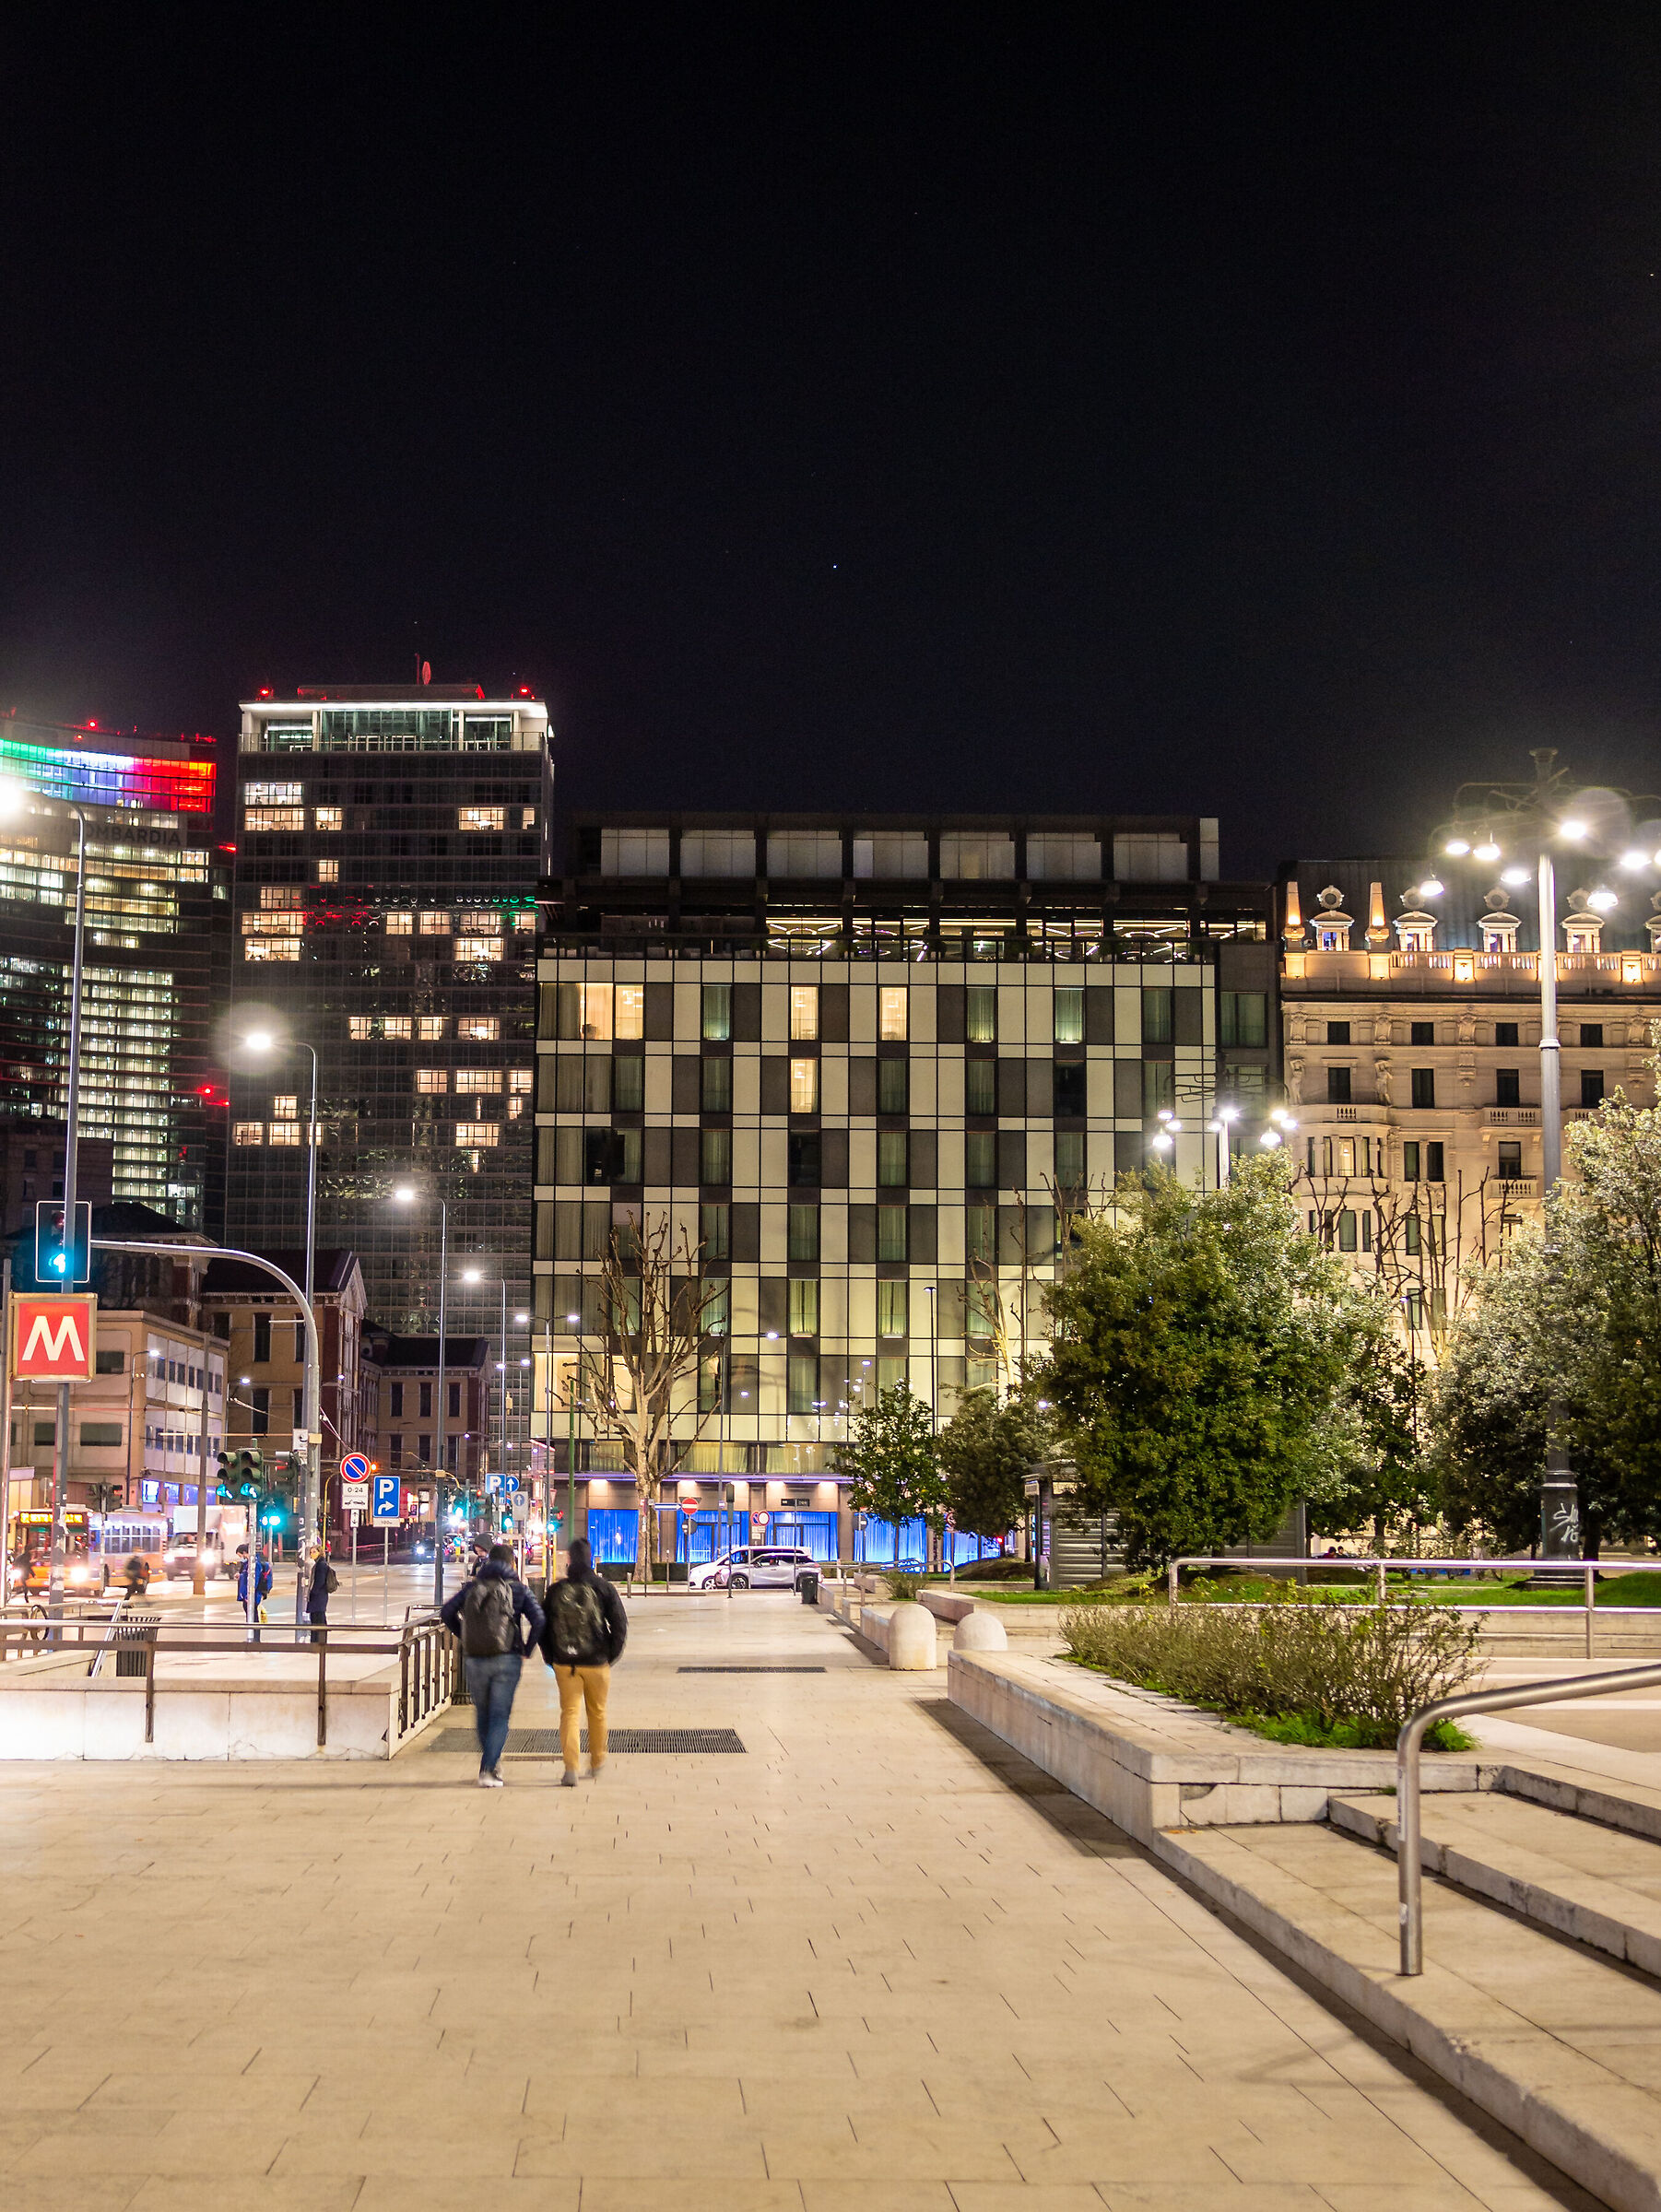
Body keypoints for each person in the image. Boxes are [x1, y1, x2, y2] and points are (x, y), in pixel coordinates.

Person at [441, 1541, 544, 1787]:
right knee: (500, 1716)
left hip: (476, 1658)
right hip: (507, 1658)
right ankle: (488, 1768)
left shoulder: (472, 1587)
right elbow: (539, 1619)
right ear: (511, 1563)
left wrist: (464, 1635)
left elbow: (447, 1612)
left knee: (483, 1713)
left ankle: (491, 1760)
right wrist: (526, 1649)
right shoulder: (518, 1590)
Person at [541, 1537, 628, 1787]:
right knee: (597, 1712)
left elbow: (543, 1627)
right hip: (597, 1662)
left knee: (569, 1713)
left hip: (565, 1664)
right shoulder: (603, 1588)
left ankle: (571, 1768)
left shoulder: (557, 1590)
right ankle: (597, 1761)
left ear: (569, 1560)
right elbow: (620, 1624)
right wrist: (609, 1656)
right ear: (591, 1558)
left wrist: (551, 1657)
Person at [235, 1545, 273, 1642]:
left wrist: (249, 1595)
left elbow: (254, 1579)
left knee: (253, 1617)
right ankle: (252, 1637)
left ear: (244, 1553)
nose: (241, 1558)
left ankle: (255, 1639)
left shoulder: (254, 1563)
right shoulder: (249, 1563)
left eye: (240, 1556)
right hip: (249, 1595)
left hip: (253, 1595)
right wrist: (241, 1575)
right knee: (251, 1616)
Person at [306, 1542, 337, 1642]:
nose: (312, 1554)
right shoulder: (320, 1564)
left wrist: (312, 1593)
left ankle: (318, 1642)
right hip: (320, 1597)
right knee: (317, 1618)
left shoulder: (321, 1565)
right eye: (311, 1552)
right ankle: (318, 1642)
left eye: (314, 1552)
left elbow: (319, 1581)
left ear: (320, 1553)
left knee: (318, 1619)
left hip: (318, 1597)